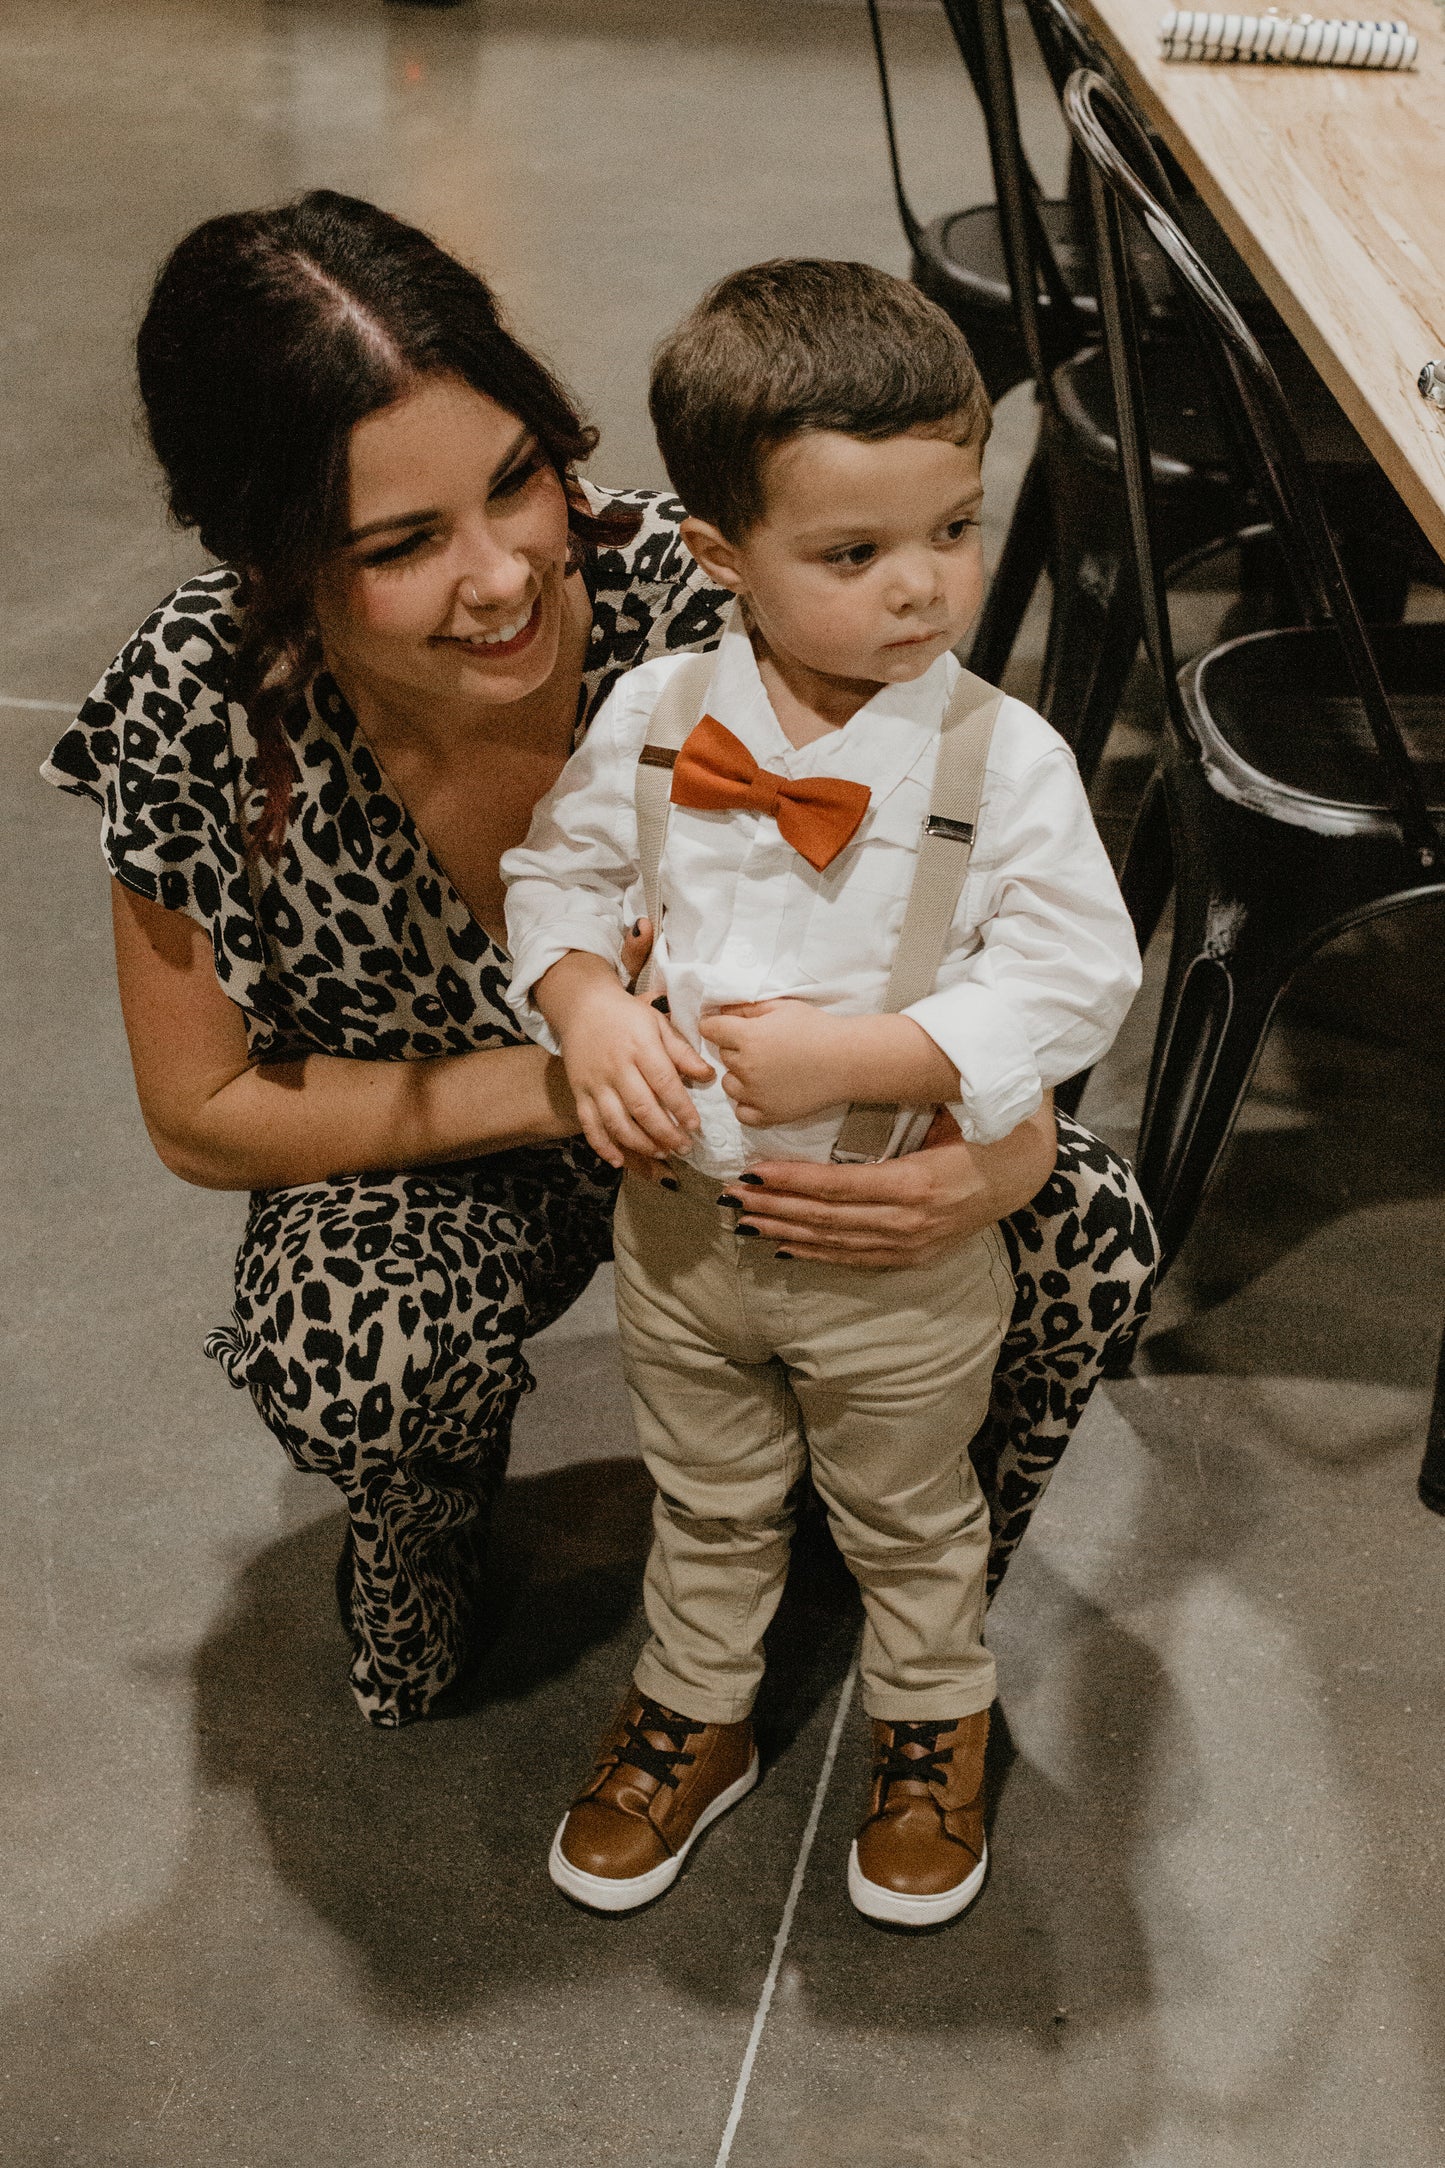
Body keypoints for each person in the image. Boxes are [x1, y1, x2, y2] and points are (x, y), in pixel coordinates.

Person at [41, 191, 1157, 1737]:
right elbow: (203, 1112)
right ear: (273, 558)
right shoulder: (195, 701)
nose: (505, 575)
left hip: (780, 1119)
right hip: (447, 1148)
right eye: (401, 543)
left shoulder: (710, 591)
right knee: (349, 1340)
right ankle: (425, 1524)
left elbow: (974, 872)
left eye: (519, 481)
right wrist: (572, 1074)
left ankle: (891, 1560)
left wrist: (1004, 1151)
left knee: (1083, 1228)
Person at [503, 260, 1142, 1925]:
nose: (921, 586)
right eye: (853, 555)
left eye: (954, 528)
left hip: (891, 1242)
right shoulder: (656, 717)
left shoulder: (1003, 760)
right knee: (704, 1496)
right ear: (722, 555)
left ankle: (932, 1718)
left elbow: (1078, 971)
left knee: (909, 1510)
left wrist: (873, 1057)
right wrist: (583, 1003)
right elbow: (556, 878)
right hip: (679, 1229)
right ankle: (694, 1710)